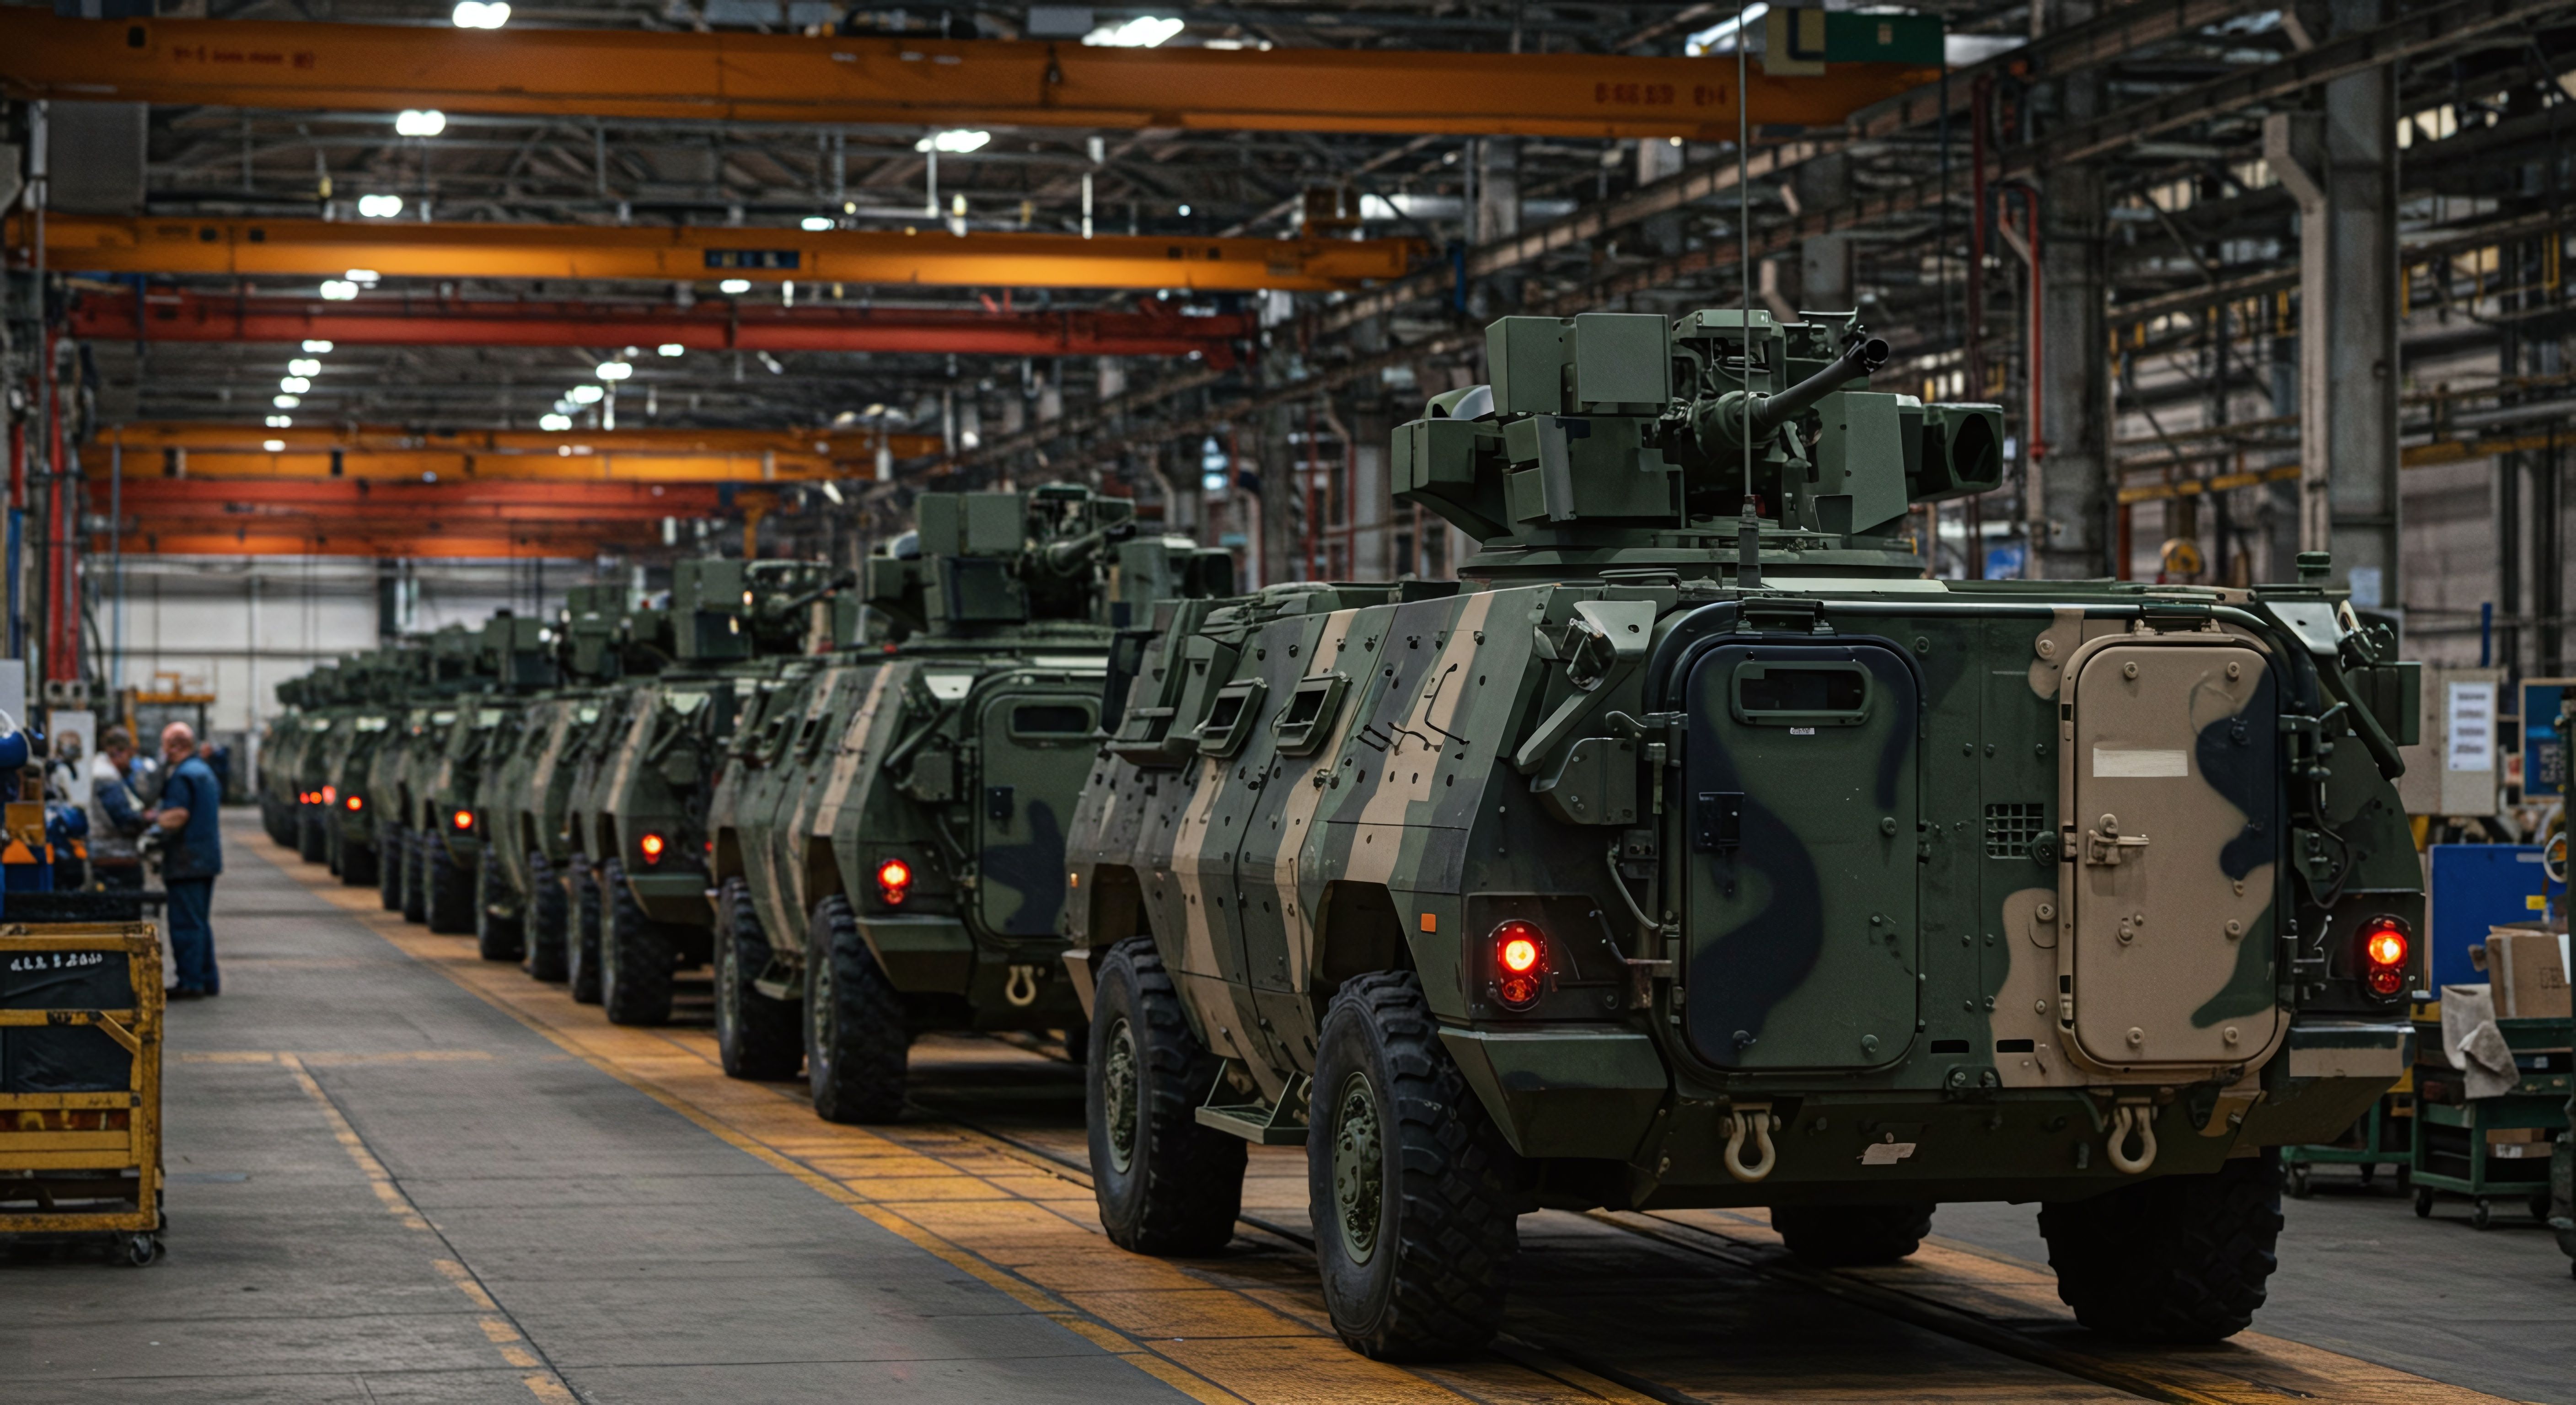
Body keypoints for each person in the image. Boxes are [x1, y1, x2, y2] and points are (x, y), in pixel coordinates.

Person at [150, 722, 225, 999]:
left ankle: (191, 982)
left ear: (173, 747)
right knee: (200, 922)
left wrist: (151, 824)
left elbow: (178, 815)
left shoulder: (182, 776)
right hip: (205, 858)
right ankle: (207, 979)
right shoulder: (203, 771)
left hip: (186, 860)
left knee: (185, 924)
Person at [87, 728, 149, 889]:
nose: (131, 762)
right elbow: (125, 819)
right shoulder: (106, 776)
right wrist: (151, 818)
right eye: (130, 755)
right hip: (114, 855)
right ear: (119, 752)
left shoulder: (107, 772)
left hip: (110, 854)